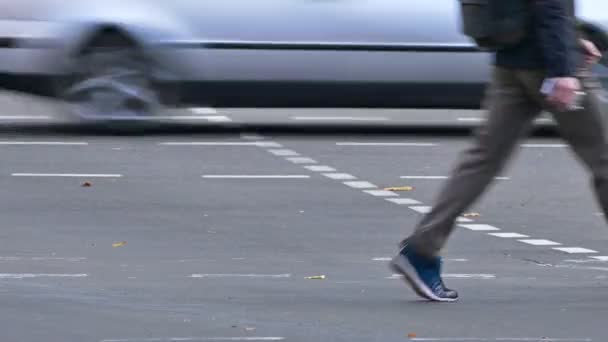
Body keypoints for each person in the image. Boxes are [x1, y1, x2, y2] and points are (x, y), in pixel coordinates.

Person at [390, 0, 605, 302]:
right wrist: (563, 67)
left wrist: (574, 38)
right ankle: (421, 250)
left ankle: (421, 250)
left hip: (511, 60)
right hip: (547, 64)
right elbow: (551, 4)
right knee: (604, 158)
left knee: (482, 160)